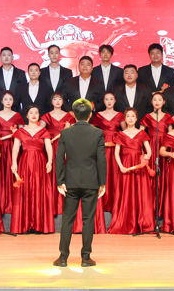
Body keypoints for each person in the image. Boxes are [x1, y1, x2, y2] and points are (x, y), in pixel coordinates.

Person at [54, 99, 106, 267]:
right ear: (90, 115)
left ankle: (63, 258)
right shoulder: (97, 133)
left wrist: (60, 181)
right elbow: (101, 159)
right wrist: (102, 182)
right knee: (88, 220)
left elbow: (59, 158)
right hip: (91, 181)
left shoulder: (65, 133)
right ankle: (85, 258)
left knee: (67, 220)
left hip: (70, 182)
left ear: (73, 115)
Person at [108, 108, 154, 234]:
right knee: (127, 192)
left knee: (141, 192)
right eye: (128, 116)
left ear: (136, 118)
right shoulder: (121, 134)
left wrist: (147, 157)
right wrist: (121, 166)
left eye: (133, 116)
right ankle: (127, 221)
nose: (130, 118)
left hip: (139, 165)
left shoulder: (141, 133)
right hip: (126, 165)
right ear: (125, 119)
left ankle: (143, 222)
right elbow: (116, 153)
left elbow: (149, 150)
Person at [10, 106, 55, 234]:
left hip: (40, 162)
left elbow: (49, 148)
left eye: (36, 112)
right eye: (31, 112)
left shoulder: (44, 131)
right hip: (24, 162)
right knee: (25, 190)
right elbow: (15, 149)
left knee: (40, 190)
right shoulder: (20, 131)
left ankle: (39, 225)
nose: (34, 115)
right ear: (27, 116)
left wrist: (50, 161)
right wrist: (14, 163)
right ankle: (24, 224)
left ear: (39, 115)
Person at [0, 91, 24, 215]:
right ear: (2, 101)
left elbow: (22, 132)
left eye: (10, 99)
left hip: (13, 146)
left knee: (12, 172)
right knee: (0, 174)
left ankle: (13, 203)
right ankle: (0, 203)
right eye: (6, 99)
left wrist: (17, 135)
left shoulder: (17, 115)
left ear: (13, 101)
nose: (8, 101)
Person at [91, 92, 124, 211]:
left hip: (116, 148)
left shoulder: (120, 115)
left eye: (111, 99)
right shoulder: (98, 115)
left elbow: (125, 131)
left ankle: (114, 202)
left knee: (115, 173)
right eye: (106, 99)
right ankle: (102, 201)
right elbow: (91, 131)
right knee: (103, 172)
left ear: (115, 101)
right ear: (103, 101)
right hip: (102, 147)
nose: (109, 101)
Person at [44, 92, 75, 215]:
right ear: (51, 102)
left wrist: (68, 129)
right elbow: (40, 132)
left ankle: (65, 204)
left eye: (60, 99)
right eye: (55, 99)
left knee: (65, 172)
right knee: (53, 173)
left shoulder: (69, 116)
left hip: (66, 147)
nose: (57, 101)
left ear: (63, 101)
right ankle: (52, 205)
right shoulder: (46, 116)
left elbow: (74, 134)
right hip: (51, 147)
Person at [141, 92, 174, 200]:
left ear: (164, 102)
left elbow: (171, 135)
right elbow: (140, 135)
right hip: (150, 146)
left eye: (160, 100)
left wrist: (171, 151)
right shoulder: (147, 117)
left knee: (164, 172)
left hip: (164, 146)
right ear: (151, 101)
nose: (157, 102)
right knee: (151, 171)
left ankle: (162, 202)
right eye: (154, 99)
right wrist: (142, 152)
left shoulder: (168, 117)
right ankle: (151, 202)